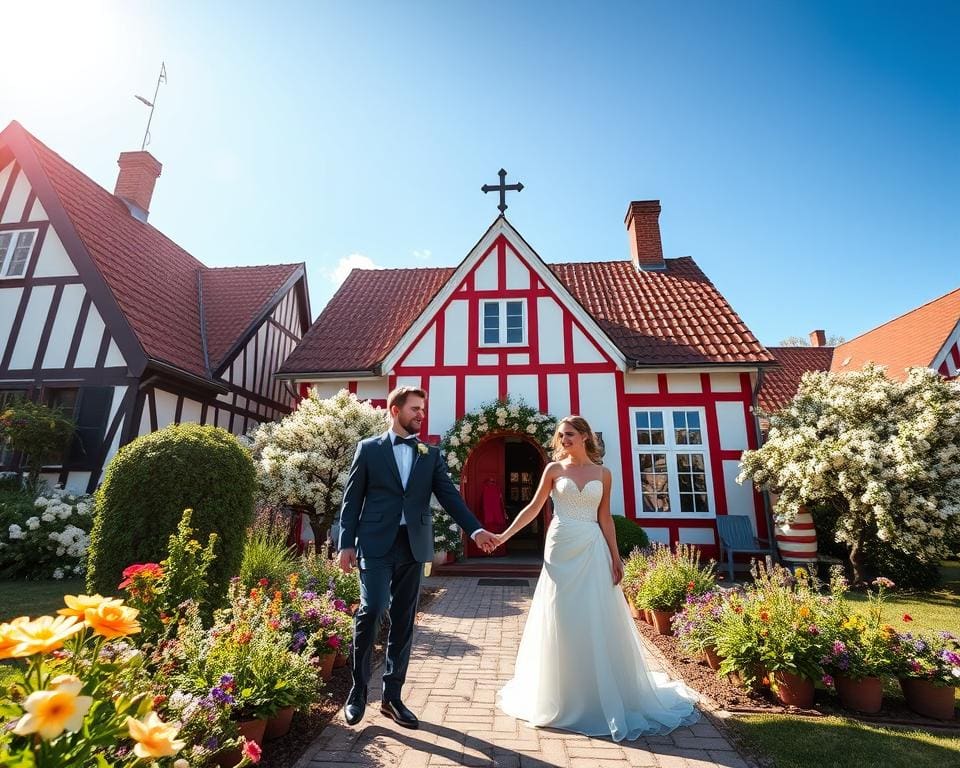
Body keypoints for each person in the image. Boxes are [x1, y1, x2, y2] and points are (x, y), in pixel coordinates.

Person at [493, 415, 700, 741]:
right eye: (561, 435)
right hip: (560, 547)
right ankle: (561, 694)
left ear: (586, 436)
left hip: (591, 548)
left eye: (570, 434)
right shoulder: (553, 470)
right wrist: (503, 536)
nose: (564, 440)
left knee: (593, 615)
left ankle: (597, 692)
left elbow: (605, 517)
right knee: (561, 615)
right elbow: (534, 509)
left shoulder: (603, 474)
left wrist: (616, 557)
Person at [338, 386, 498, 729]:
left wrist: (476, 530)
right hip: (375, 542)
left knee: (403, 620)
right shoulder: (368, 450)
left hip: (413, 544)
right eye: (415, 409)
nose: (421, 415)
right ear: (395, 410)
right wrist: (345, 544)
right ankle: (358, 689)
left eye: (423, 409)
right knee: (374, 608)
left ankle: (392, 697)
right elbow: (352, 501)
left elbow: (451, 498)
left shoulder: (431, 454)